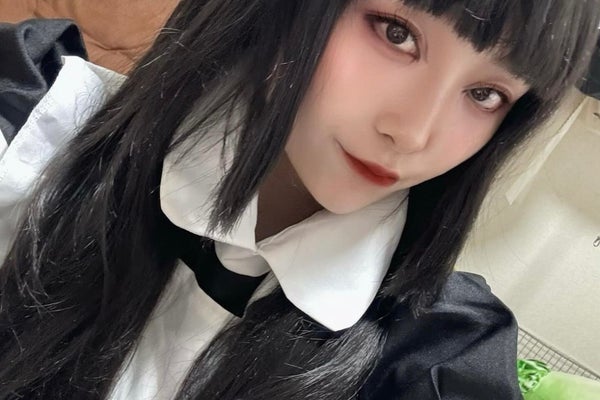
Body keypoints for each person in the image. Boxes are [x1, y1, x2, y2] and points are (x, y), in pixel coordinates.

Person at [0, 0, 598, 399]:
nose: (413, 133)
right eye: (397, 33)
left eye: (486, 94)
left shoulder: (441, 351)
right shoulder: (37, 116)